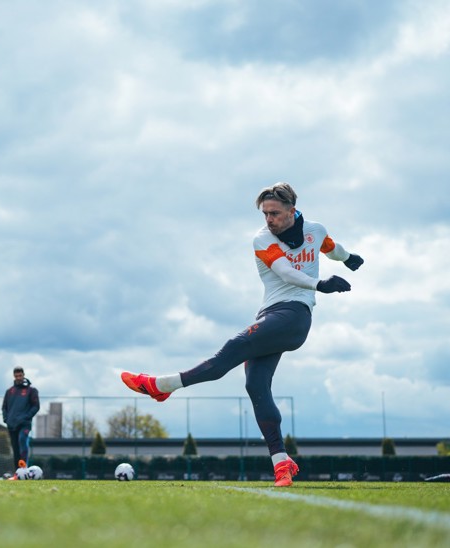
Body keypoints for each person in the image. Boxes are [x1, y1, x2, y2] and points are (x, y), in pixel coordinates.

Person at [121, 182, 363, 487]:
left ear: (292, 209)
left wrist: (349, 257)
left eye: (275, 213)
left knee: (234, 348)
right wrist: (320, 284)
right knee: (256, 385)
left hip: (294, 316)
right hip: (270, 316)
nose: (269, 220)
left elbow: (329, 246)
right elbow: (286, 272)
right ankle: (281, 464)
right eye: (265, 214)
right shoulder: (262, 239)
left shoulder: (314, 229)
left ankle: (161, 386)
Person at [2, 366, 40, 479]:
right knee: (15, 448)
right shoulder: (10, 391)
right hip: (12, 425)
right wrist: (6, 419)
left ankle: (25, 470)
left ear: (24, 375)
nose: (18, 377)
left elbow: (36, 406)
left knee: (22, 440)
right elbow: (4, 408)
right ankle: (17, 474)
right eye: (16, 375)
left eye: (20, 375)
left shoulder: (31, 390)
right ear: (14, 376)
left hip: (24, 424)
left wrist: (26, 417)